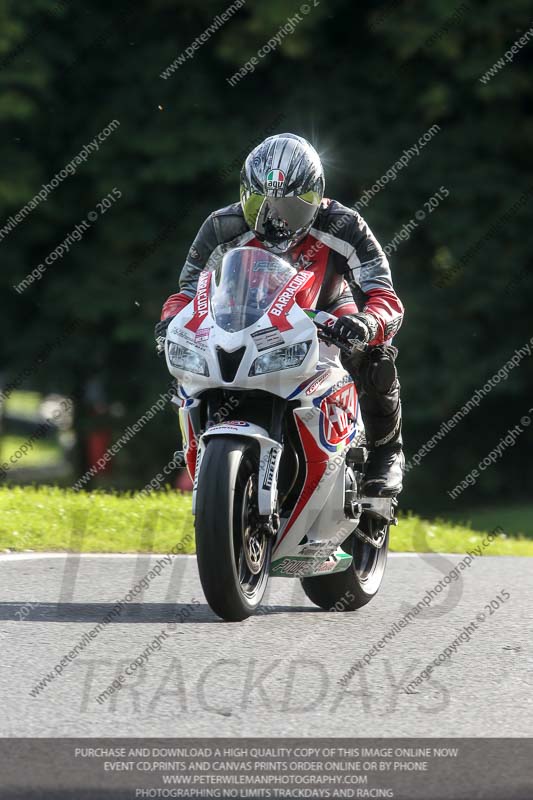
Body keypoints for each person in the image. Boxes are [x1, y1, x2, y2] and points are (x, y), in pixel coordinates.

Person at [156, 133, 404, 496]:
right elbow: (188, 292)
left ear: (316, 198)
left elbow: (384, 294)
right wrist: (170, 323)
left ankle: (386, 453)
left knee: (374, 354)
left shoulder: (344, 224)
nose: (275, 220)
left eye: (290, 206)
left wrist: (367, 323)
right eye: (262, 203)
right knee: (190, 366)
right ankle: (208, 452)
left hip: (326, 309)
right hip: (243, 317)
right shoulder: (221, 226)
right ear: (244, 195)